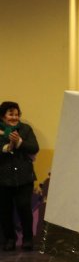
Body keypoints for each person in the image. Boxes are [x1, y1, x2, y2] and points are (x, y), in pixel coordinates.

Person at [0, 101, 39, 251]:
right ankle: (10, 239)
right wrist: (6, 147)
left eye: (17, 114)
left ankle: (28, 239)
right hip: (3, 179)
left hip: (24, 178)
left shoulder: (25, 129)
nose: (14, 117)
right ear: (3, 116)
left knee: (24, 208)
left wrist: (19, 142)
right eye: (11, 114)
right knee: (5, 210)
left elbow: (35, 147)